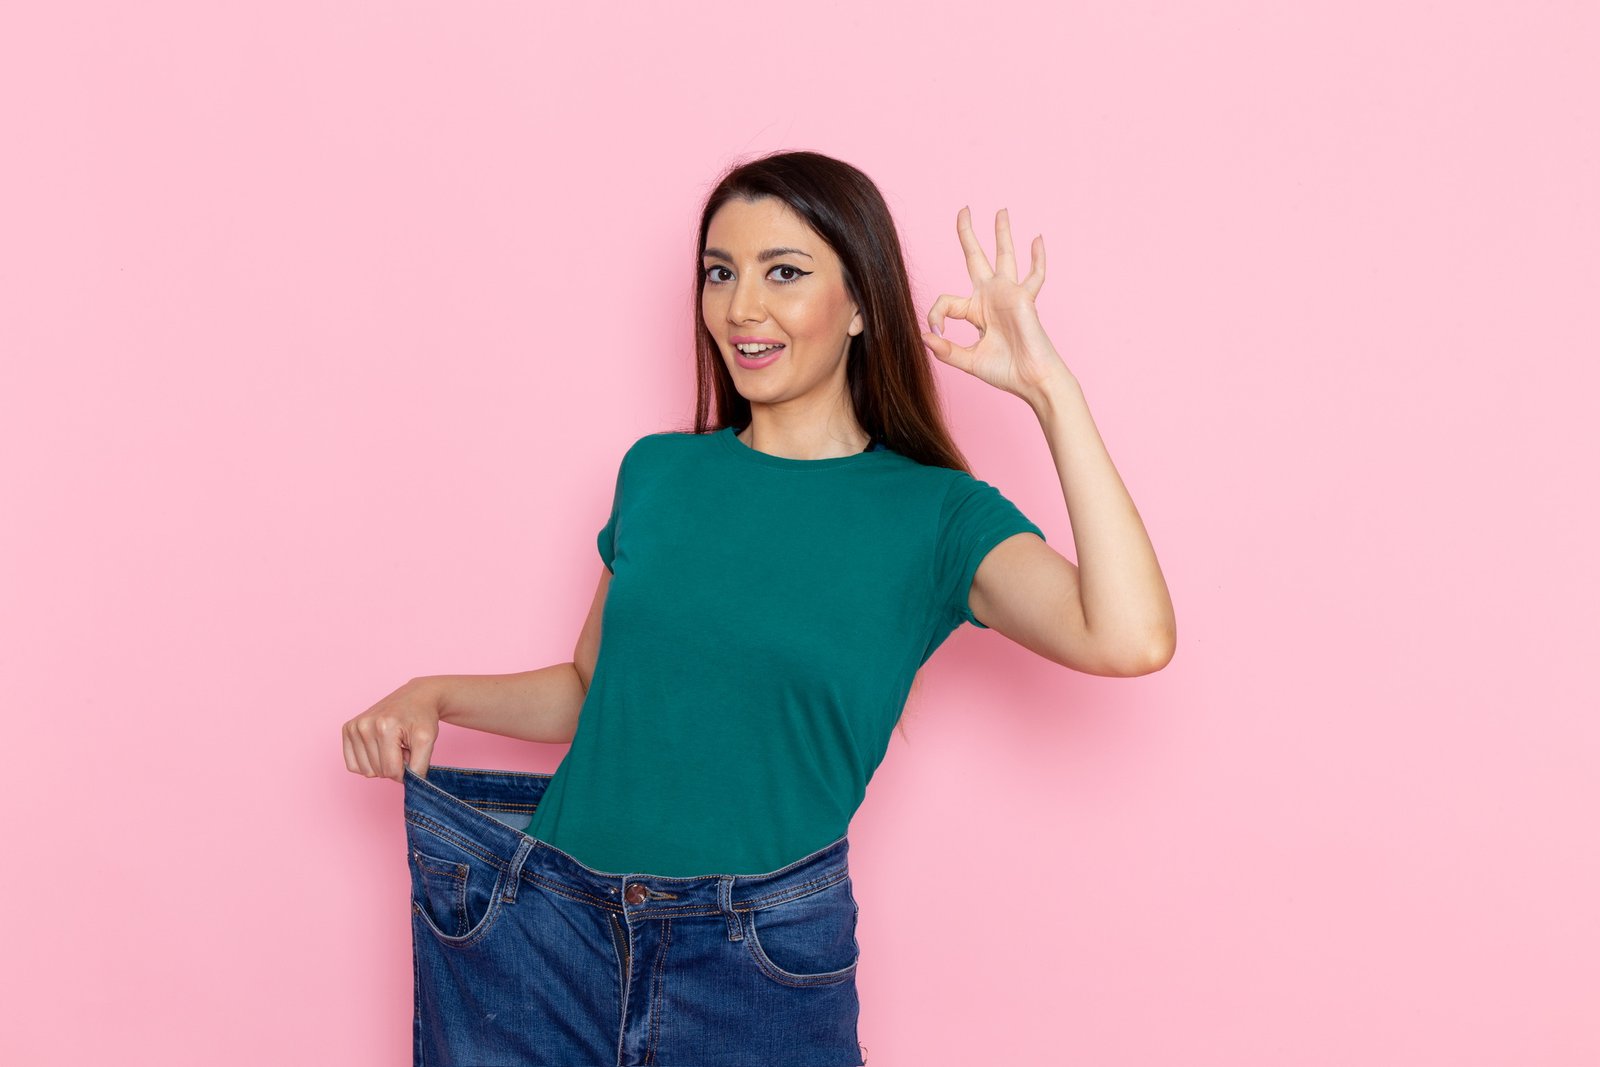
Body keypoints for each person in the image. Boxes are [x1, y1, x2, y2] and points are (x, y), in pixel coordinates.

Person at [341, 149, 1175, 1067]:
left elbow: (1129, 636)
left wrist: (1051, 390)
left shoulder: (936, 516)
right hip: (546, 932)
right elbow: (592, 690)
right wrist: (437, 694)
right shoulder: (659, 472)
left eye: (784, 272)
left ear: (861, 304)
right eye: (720, 272)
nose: (742, 307)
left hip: (755, 966)